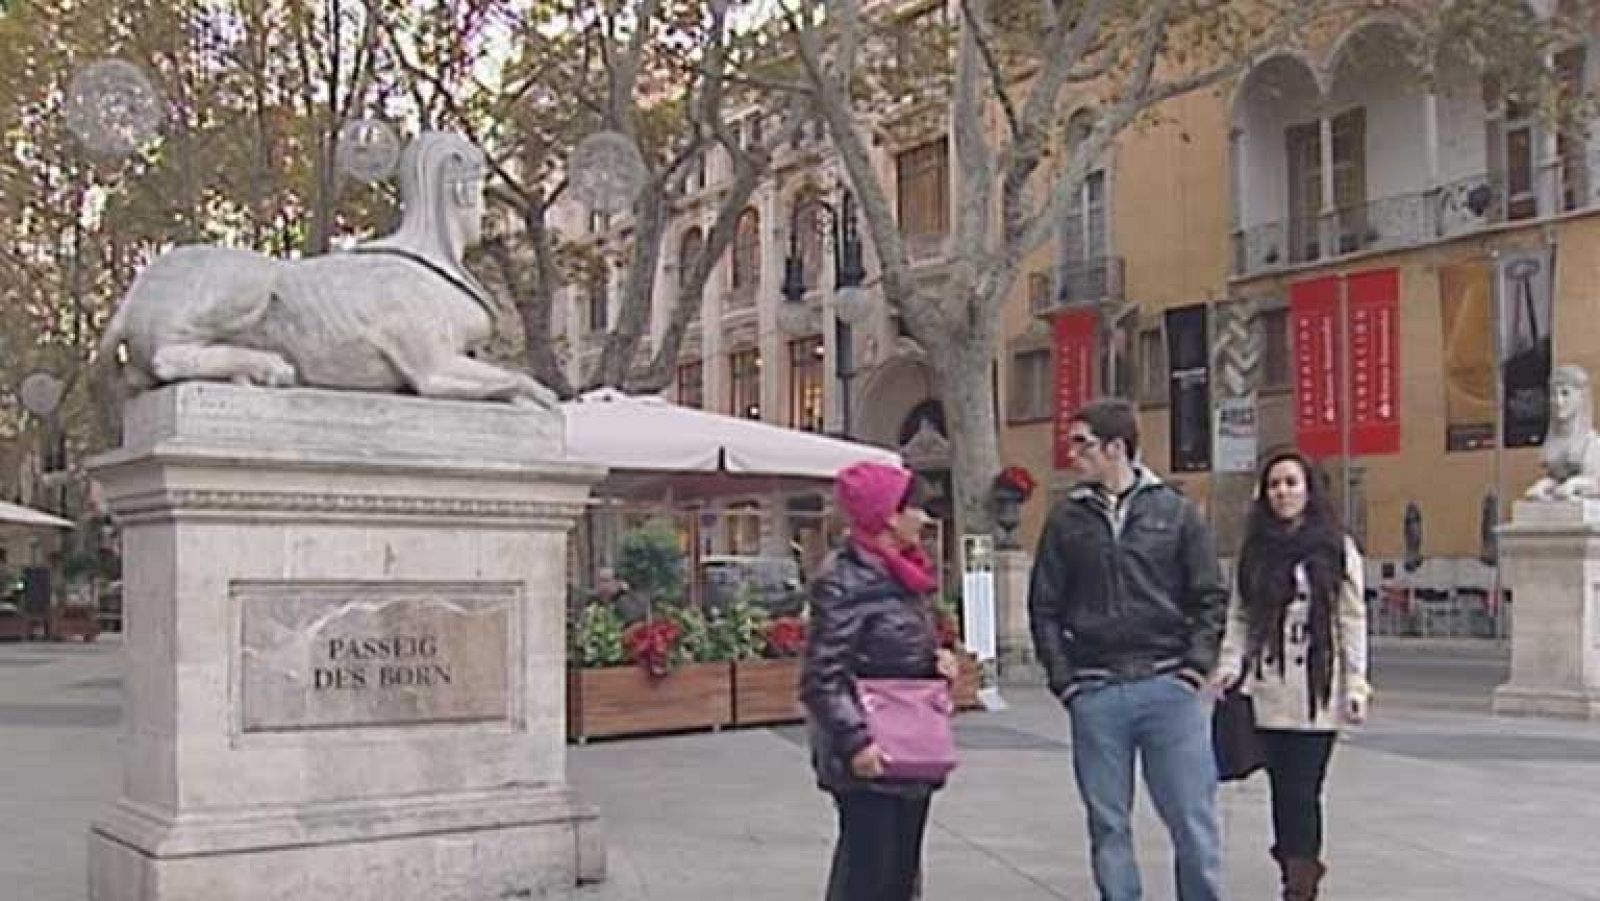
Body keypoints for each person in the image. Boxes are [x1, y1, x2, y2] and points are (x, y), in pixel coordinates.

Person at [1027, 398, 1228, 901]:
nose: (1071, 453)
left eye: (1082, 443)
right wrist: (1065, 680)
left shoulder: (1176, 512)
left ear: (1116, 448)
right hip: (1096, 687)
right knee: (1108, 824)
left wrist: (1194, 668)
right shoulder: (1067, 519)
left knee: (1192, 823)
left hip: (1167, 684)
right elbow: (1044, 605)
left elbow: (1209, 596)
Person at [1210, 451, 1370, 901]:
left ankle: (1300, 885)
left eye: (1291, 483)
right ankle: (1293, 869)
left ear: (1309, 490)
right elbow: (1240, 615)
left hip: (1317, 690)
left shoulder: (1336, 548)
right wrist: (1228, 666)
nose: (1283, 493)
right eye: (1275, 485)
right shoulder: (1255, 549)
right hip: (1266, 688)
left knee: (1302, 790)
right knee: (1283, 791)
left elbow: (1351, 620)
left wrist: (1357, 684)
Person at [801, 461, 960, 901]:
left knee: (900, 874)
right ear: (890, 514)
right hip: (871, 748)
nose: (925, 519)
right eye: (917, 508)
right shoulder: (843, 579)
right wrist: (856, 742)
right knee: (868, 874)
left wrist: (935, 663)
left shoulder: (904, 572)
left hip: (910, 743)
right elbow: (822, 675)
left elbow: (891, 647)